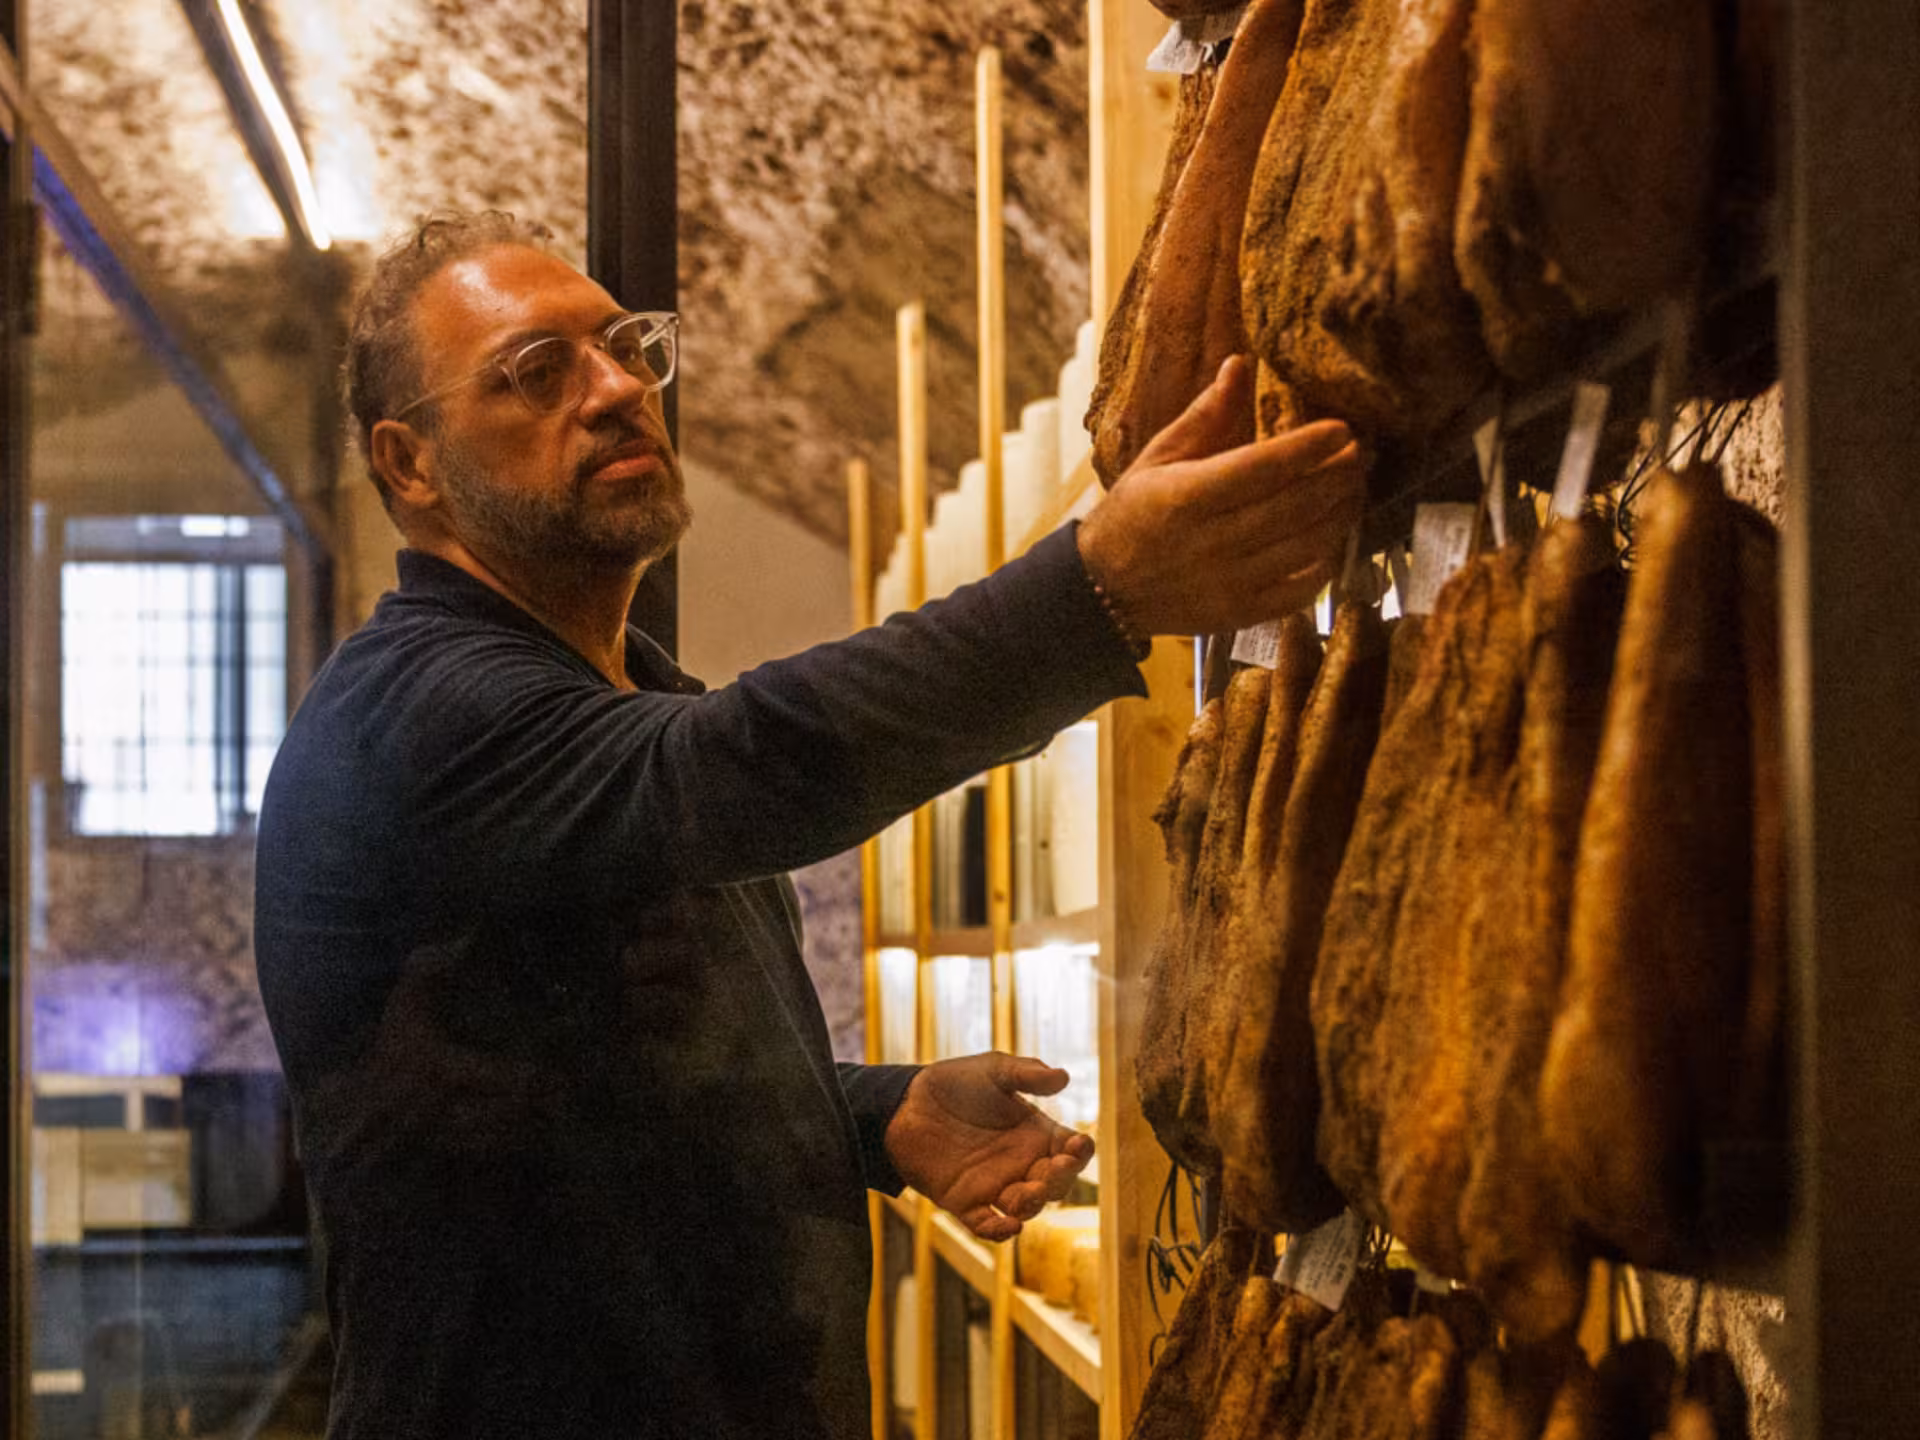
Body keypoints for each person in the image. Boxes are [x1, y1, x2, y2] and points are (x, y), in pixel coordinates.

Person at [253, 211, 1363, 1440]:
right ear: (409, 466)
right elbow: (745, 763)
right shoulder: (421, 705)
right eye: (538, 371)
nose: (619, 388)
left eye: (624, 346)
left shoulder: (632, 695)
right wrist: (1097, 588)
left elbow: (603, 1089)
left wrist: (871, 1113)